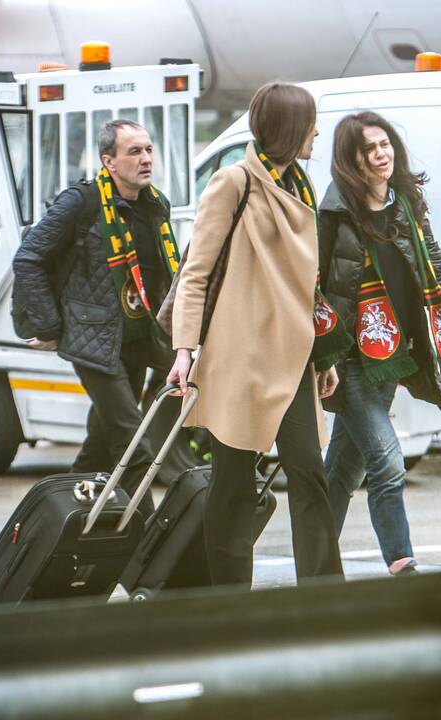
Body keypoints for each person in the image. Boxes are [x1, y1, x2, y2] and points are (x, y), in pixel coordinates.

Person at [167, 82, 349, 589]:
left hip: (294, 356)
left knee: (309, 472)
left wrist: (324, 356)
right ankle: (231, 595)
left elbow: (308, 284)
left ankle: (323, 591)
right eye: (310, 122)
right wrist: (184, 350)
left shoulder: (302, 186)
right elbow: (196, 273)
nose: (316, 131)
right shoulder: (233, 182)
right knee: (233, 481)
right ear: (290, 128)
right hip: (241, 354)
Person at [319, 111, 441, 576]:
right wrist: (323, 353)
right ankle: (402, 562)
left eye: (385, 144)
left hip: (393, 356)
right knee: (387, 461)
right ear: (350, 160)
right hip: (351, 358)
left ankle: (315, 565)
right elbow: (317, 286)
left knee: (341, 472)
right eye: (369, 149)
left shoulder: (407, 203)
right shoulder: (334, 212)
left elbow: (434, 269)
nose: (381, 154)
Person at [14, 119, 181, 514]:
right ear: (109, 161)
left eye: (148, 150)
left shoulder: (156, 204)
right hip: (92, 341)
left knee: (99, 448)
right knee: (133, 443)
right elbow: (28, 259)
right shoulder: (81, 202)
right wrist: (51, 326)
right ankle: (145, 550)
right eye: (133, 152)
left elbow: (159, 276)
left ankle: (56, 520)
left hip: (138, 338)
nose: (145, 159)